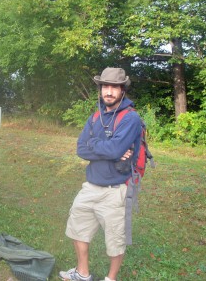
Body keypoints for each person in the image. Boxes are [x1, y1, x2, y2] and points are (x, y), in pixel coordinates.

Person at [59, 68, 143, 281]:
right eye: (105, 86)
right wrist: (106, 148)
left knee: (115, 241)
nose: (109, 91)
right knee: (78, 229)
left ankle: (110, 278)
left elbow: (113, 150)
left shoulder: (130, 118)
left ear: (122, 90)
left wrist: (96, 145)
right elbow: (81, 148)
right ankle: (82, 273)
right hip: (90, 187)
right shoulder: (95, 117)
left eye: (114, 87)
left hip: (115, 191)